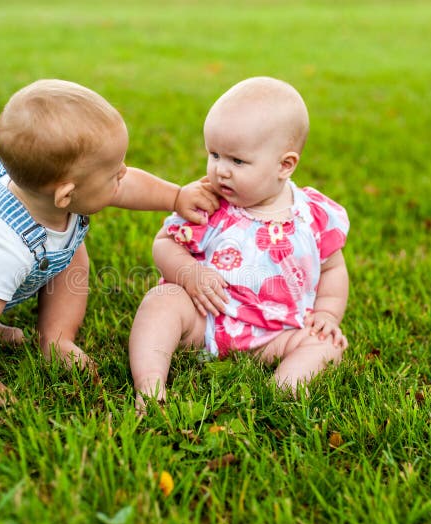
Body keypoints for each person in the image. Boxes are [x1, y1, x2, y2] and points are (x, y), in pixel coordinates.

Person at [0, 79, 218, 418]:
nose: (123, 174)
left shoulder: (57, 195)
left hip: (15, 266)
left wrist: (175, 197)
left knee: (72, 256)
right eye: (114, 173)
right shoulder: (2, 244)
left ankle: (56, 338)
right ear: (65, 196)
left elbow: (128, 186)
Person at [129, 76, 350, 411]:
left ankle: (284, 390)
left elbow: (333, 268)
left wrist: (327, 314)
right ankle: (149, 385)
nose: (221, 171)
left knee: (328, 343)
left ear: (285, 165)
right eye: (214, 154)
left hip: (278, 333)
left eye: (237, 161)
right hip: (206, 321)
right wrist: (188, 272)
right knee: (162, 301)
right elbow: (164, 243)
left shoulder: (314, 215)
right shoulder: (209, 203)